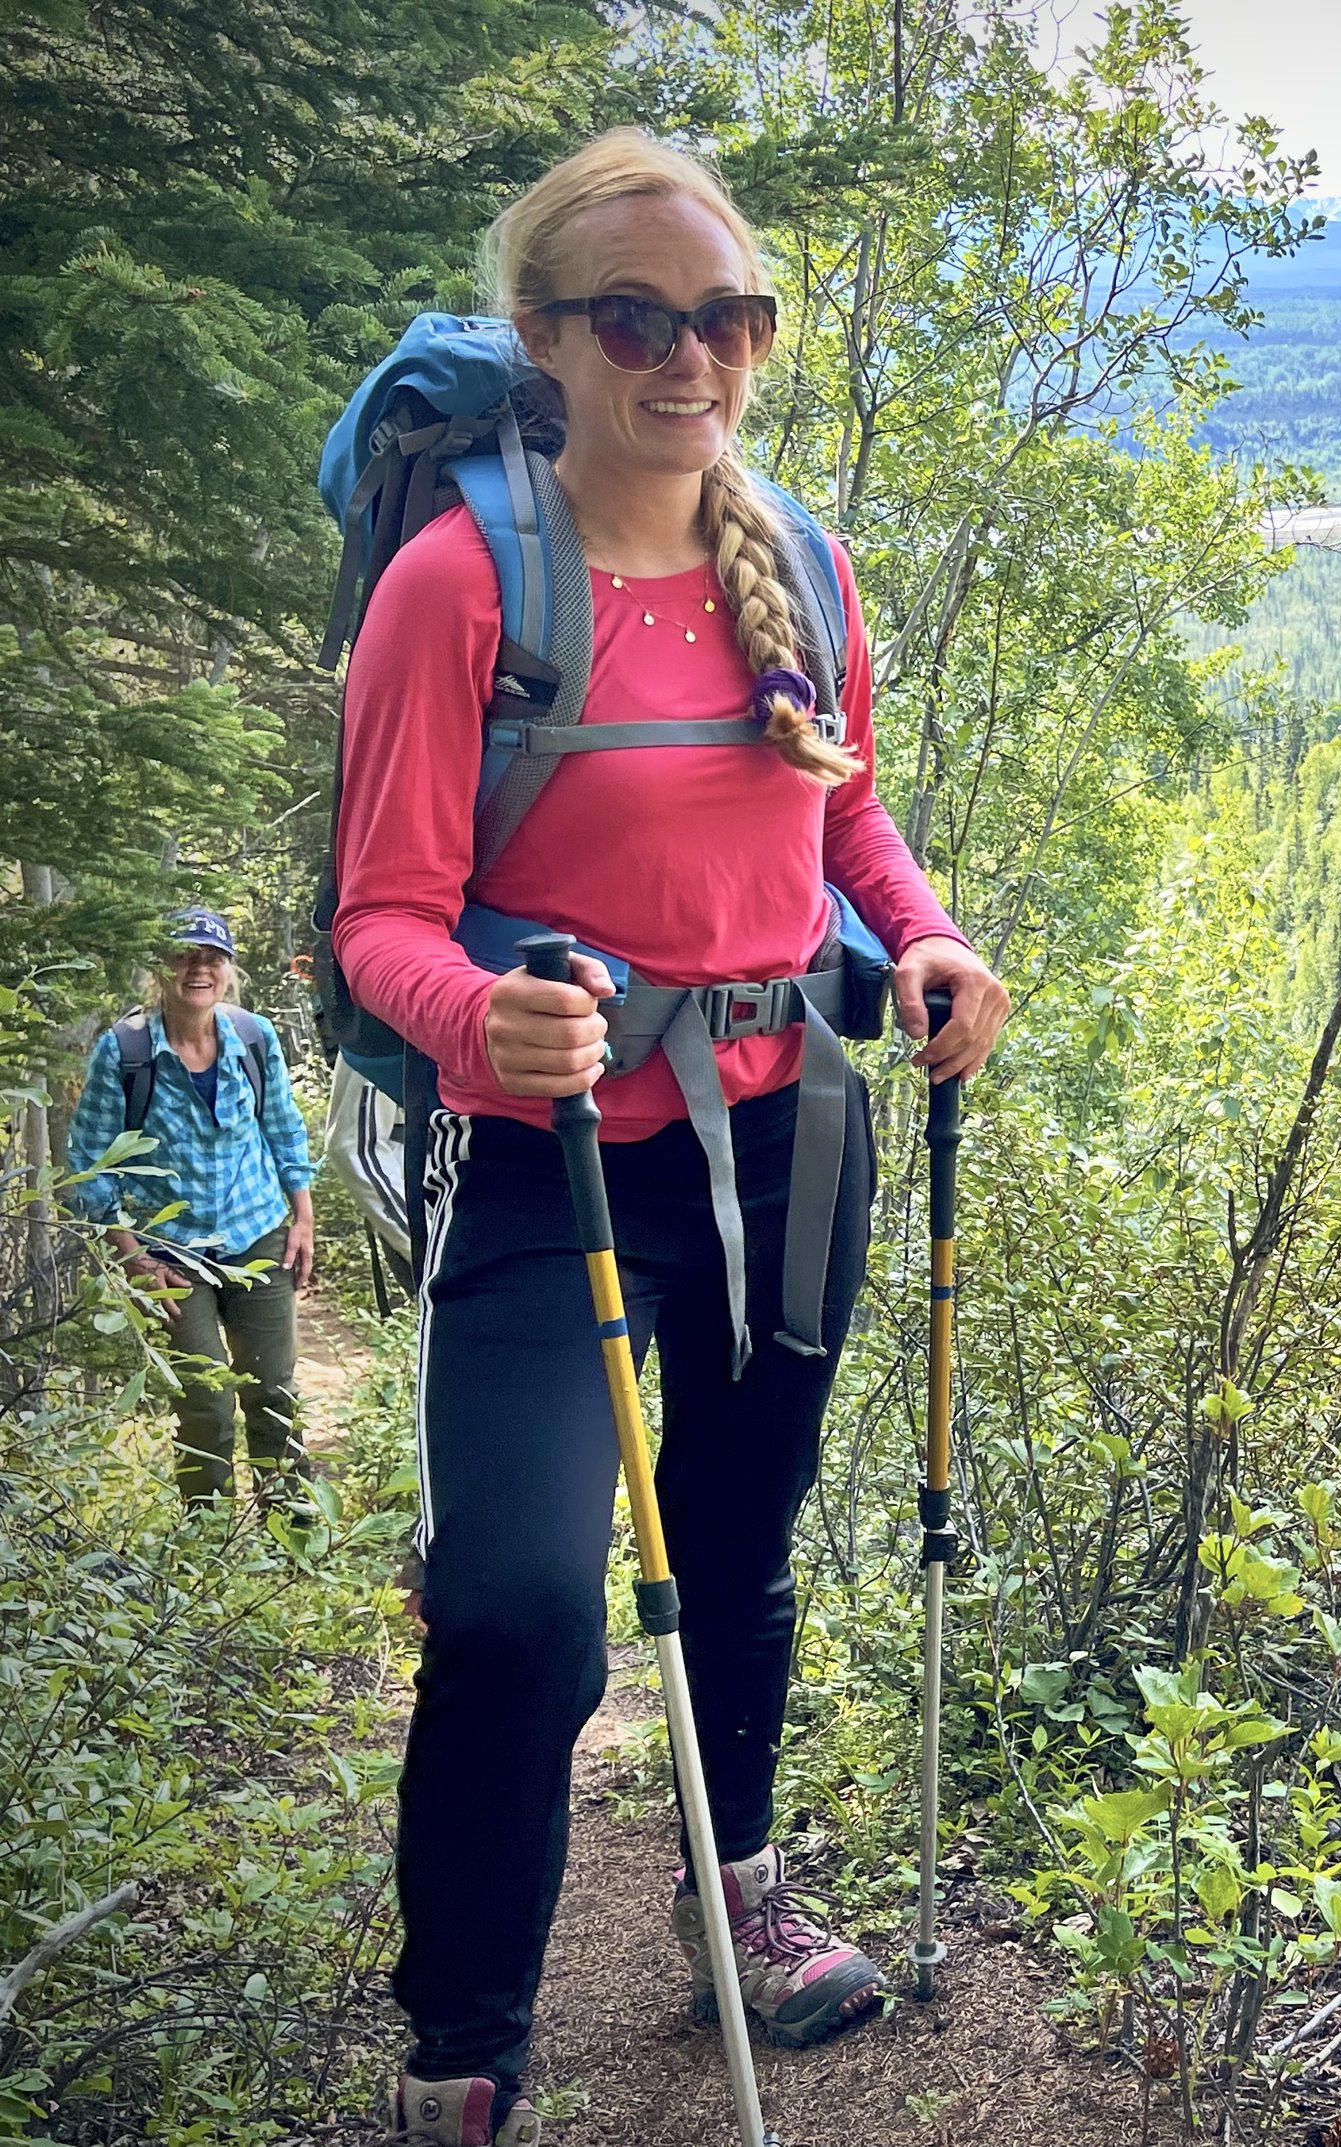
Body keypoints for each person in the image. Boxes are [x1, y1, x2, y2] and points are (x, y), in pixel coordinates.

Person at [330, 131, 1008, 2145]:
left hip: (786, 1125)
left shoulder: (795, 558)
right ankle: (465, 2041)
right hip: (541, 1156)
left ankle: (741, 1890)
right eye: (637, 315)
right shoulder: (465, 583)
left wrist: (926, 931)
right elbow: (381, 911)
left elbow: (840, 806)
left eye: (729, 315)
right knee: (525, 1599)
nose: (691, 352)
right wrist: (482, 1008)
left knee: (736, 1536)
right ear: (550, 341)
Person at [64, 907, 318, 1504]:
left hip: (257, 1234)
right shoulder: (125, 1052)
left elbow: (283, 1129)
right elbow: (90, 1164)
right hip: (168, 1252)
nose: (198, 968)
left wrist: (302, 1217)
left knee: (272, 1390)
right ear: (161, 969)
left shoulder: (254, 1038)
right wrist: (134, 1258)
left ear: (228, 970)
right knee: (204, 1399)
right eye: (184, 955)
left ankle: (295, 1538)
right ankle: (205, 1546)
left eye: (212, 957)